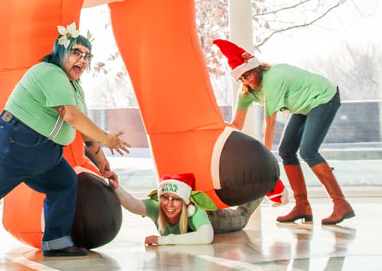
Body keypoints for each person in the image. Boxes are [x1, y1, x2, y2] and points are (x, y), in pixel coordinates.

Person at [0, 23, 130, 269]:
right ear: (62, 52)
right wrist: (107, 137)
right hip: (14, 142)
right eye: (77, 52)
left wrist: (102, 161)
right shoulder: (50, 72)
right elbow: (71, 116)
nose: (82, 60)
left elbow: (83, 129)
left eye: (87, 56)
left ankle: (56, 242)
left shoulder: (74, 87)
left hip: (45, 153)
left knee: (64, 182)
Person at [213, 38, 354, 226]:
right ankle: (302, 205)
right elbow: (236, 123)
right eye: (241, 77)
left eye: (248, 74)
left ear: (256, 68)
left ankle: (341, 204)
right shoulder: (246, 91)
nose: (246, 79)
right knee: (286, 151)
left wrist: (264, 160)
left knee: (308, 151)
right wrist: (216, 128)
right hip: (303, 106)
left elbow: (269, 124)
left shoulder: (272, 80)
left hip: (323, 97)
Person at [107, 171, 262, 245]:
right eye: (165, 197)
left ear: (185, 202)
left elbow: (206, 237)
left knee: (242, 217)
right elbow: (133, 204)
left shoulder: (194, 209)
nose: (169, 204)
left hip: (215, 219)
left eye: (176, 200)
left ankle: (265, 185)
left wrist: (164, 240)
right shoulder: (158, 206)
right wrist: (117, 189)